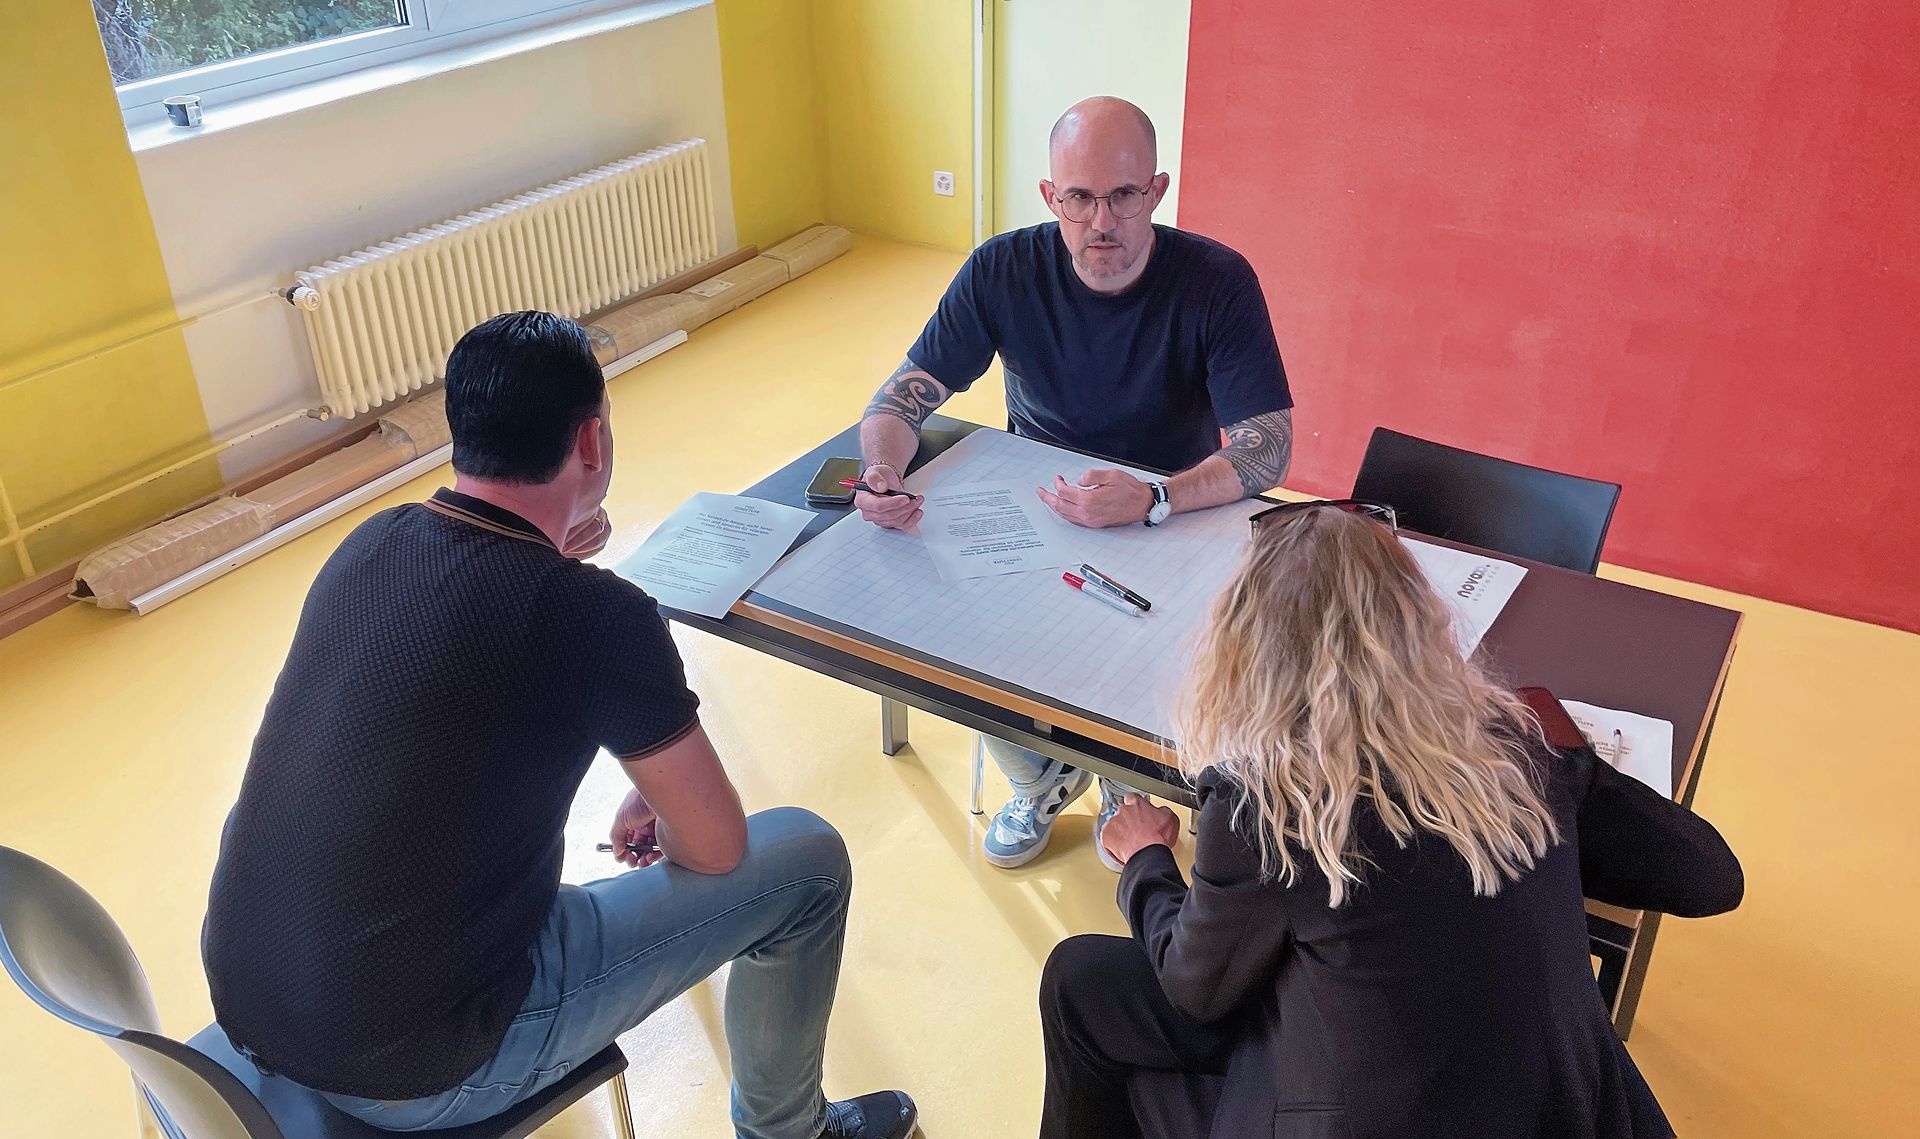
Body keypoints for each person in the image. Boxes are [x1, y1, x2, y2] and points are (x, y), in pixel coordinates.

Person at [202, 312, 916, 1139]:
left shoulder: (373, 541)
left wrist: (554, 551)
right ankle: (789, 1131)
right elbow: (716, 848)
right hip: (420, 1065)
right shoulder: (594, 616)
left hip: (254, 1000)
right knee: (807, 861)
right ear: (590, 441)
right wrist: (674, 806)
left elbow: (468, 640)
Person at [1039, 502, 1745, 1139]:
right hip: (1569, 1110)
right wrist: (1565, 782)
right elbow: (1711, 877)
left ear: (1245, 649)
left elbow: (1195, 991)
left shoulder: (1268, 802)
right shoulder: (1522, 745)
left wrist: (1145, 863)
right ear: (1421, 622)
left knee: (1080, 983)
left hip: (1371, 1115)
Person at [854, 95, 1294, 871]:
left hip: (1172, 517)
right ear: (1049, 196)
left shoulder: (1216, 281)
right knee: (959, 635)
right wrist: (883, 466)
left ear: (1157, 190)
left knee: (1167, 658)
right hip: (1037, 508)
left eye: (1124, 196)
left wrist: (1156, 498)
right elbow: (900, 399)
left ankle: (1126, 784)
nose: (1102, 222)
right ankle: (1042, 778)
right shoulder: (1002, 268)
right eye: (1079, 198)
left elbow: (1268, 446)